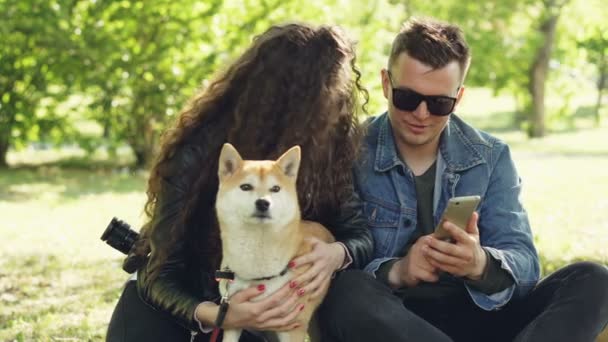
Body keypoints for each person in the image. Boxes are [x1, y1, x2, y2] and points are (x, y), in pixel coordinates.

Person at [318, 18, 608, 342]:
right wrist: (398, 270)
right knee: (346, 290)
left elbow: (525, 263)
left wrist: (480, 264)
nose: (422, 114)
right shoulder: (350, 151)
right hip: (393, 320)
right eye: (408, 98)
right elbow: (333, 257)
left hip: (480, 317)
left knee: (594, 279)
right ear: (386, 84)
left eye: (440, 103)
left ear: (459, 97)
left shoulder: (490, 155)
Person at [105, 23, 373, 342]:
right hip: (181, 310)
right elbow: (159, 274)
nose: (338, 108)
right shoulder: (198, 150)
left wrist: (337, 254)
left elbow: (358, 233)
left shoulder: (328, 151)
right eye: (329, 98)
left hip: (256, 322)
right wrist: (221, 314)